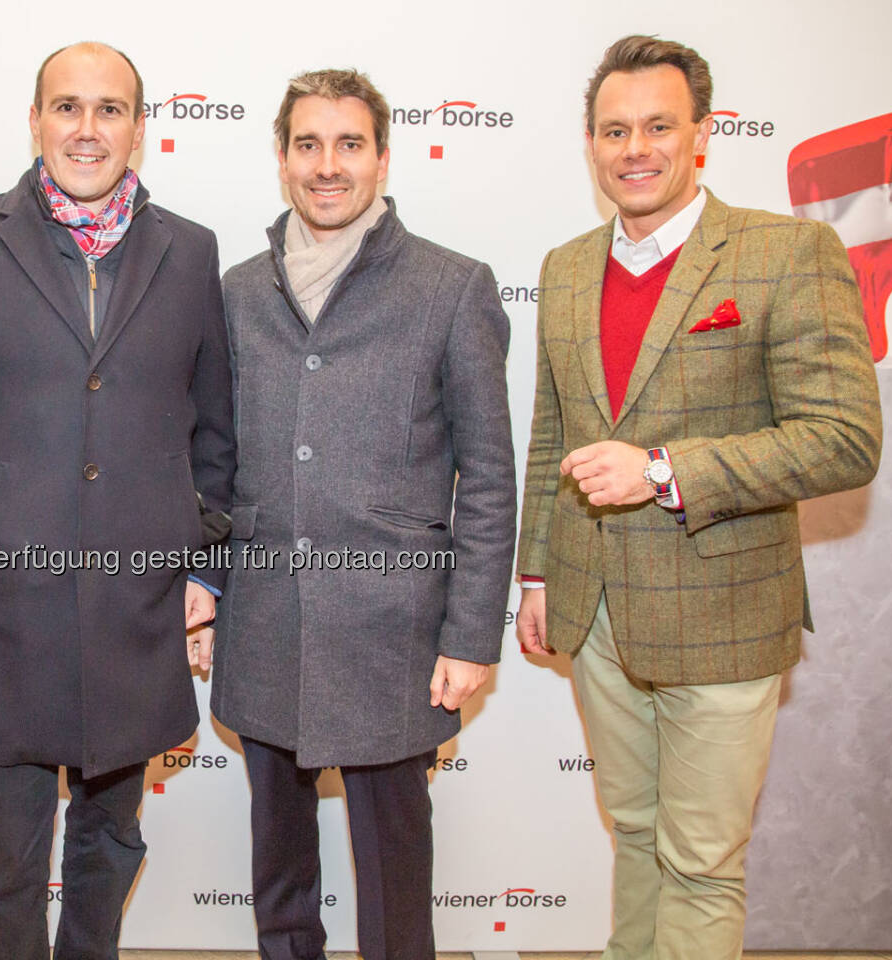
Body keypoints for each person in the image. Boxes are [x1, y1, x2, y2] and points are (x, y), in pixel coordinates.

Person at [515, 35, 882, 960]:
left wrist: (667, 470)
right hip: (595, 606)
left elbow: (844, 439)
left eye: (657, 127)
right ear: (591, 144)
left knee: (703, 861)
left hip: (726, 610)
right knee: (634, 835)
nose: (634, 148)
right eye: (613, 130)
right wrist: (535, 573)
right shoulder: (564, 268)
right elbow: (552, 436)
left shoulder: (789, 251)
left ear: (703, 135)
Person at [0, 41, 234, 960]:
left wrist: (206, 563)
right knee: (2, 853)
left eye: (110, 109)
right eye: (68, 107)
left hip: (136, 603)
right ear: (36, 120)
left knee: (112, 840)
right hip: (0, 605)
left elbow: (215, 433)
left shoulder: (191, 252)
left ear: (140, 129)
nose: (89, 129)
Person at [210, 68, 516, 960]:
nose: (328, 165)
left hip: (397, 635)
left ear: (383, 157)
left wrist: (469, 636)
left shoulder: (452, 288)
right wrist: (205, 589)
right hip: (265, 623)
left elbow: (489, 476)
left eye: (350, 144)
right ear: (282, 158)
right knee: (280, 872)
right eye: (309, 144)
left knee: (393, 877)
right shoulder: (235, 290)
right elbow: (214, 462)